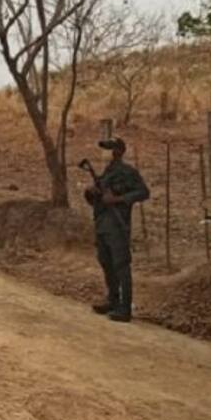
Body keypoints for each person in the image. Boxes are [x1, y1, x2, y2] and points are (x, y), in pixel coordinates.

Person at [84, 137, 150, 323]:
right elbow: (95, 199)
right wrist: (92, 193)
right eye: (105, 149)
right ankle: (113, 300)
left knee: (121, 265)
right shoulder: (106, 173)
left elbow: (143, 192)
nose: (106, 153)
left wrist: (118, 200)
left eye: (110, 149)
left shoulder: (127, 172)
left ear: (119, 152)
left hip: (117, 224)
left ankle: (125, 307)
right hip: (102, 222)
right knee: (106, 261)